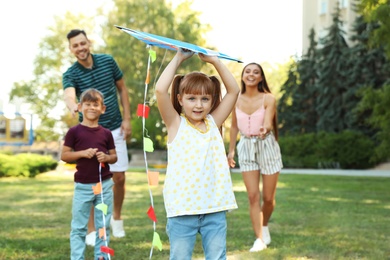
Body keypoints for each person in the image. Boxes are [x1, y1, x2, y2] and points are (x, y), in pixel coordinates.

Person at [155, 48, 240, 260]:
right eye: (191, 98)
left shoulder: (213, 123)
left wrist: (216, 62)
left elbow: (234, 91)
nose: (198, 104)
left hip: (214, 207)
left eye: (205, 99)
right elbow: (159, 90)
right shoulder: (175, 124)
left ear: (212, 101)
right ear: (180, 99)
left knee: (217, 257)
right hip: (183, 210)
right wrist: (178, 58)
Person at [62, 29, 131, 245]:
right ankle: (92, 229)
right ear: (71, 49)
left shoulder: (108, 62)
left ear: (88, 42)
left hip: (115, 128)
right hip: (90, 132)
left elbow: (123, 89)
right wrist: (73, 105)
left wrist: (127, 118)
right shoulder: (70, 73)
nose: (80, 48)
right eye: (75, 45)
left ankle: (116, 219)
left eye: (82, 43)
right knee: (93, 180)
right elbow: (69, 93)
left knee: (118, 177)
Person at [227, 62, 283, 252]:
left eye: (256, 72)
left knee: (268, 198)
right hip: (246, 147)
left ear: (261, 78)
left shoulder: (268, 98)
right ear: (243, 76)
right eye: (248, 71)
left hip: (267, 145)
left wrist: (264, 129)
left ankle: (264, 224)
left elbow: (268, 122)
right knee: (253, 196)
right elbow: (234, 126)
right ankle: (259, 239)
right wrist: (231, 150)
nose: (251, 74)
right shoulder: (235, 100)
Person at [61, 88, 117, 260]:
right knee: (78, 226)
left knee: (103, 224)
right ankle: (77, 257)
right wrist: (82, 153)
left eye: (95, 104)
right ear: (79, 106)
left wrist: (106, 157)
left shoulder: (106, 133)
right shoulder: (74, 132)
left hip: (104, 185)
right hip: (83, 186)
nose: (91, 108)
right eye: (87, 104)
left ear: (103, 109)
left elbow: (114, 157)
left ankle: (101, 256)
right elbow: (64, 155)